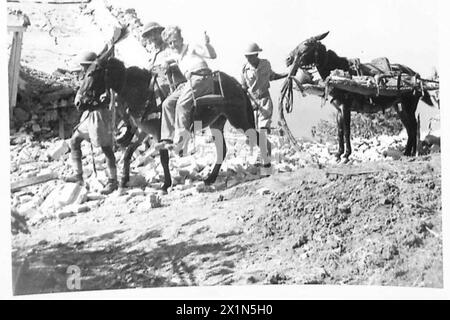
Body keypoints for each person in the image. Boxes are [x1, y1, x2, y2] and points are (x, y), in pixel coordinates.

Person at [64, 51, 118, 195]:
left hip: (99, 114)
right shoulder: (89, 77)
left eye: (84, 66)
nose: (82, 69)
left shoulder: (100, 77)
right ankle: (78, 175)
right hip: (90, 114)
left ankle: (113, 181)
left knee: (106, 147)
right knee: (75, 139)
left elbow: (105, 98)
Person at [155, 25, 217, 151]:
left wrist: (207, 44)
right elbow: (163, 63)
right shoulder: (176, 54)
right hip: (190, 81)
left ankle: (181, 139)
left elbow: (212, 55)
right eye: (170, 43)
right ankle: (167, 139)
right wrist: (164, 64)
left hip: (201, 76)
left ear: (181, 39)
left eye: (175, 41)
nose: (173, 45)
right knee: (167, 103)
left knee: (182, 104)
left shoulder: (191, 47)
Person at [241, 42, 287, 133]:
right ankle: (259, 145)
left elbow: (272, 76)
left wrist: (286, 74)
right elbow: (243, 88)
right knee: (252, 131)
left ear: (256, 54)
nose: (248, 59)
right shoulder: (244, 69)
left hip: (265, 100)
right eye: (246, 56)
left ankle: (264, 145)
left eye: (250, 56)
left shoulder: (265, 64)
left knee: (264, 129)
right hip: (251, 102)